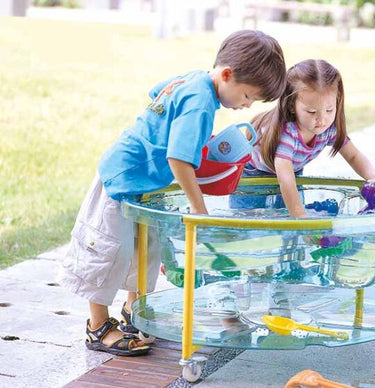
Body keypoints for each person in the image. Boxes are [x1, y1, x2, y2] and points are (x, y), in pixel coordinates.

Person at [58, 30, 286, 356]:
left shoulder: (194, 80)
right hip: (120, 181)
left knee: (145, 251)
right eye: (248, 96)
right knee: (110, 255)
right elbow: (178, 158)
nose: (247, 105)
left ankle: (134, 314)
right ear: (226, 75)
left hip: (143, 184)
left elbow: (156, 93)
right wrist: (198, 207)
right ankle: (97, 327)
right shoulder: (201, 105)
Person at [233, 59, 375, 217]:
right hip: (254, 172)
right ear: (291, 106)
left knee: (285, 215)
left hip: (292, 172)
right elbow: (285, 179)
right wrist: (300, 216)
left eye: (329, 110)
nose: (322, 119)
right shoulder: (287, 133)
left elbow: (354, 155)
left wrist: (374, 178)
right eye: (312, 112)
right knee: (247, 216)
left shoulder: (329, 129)